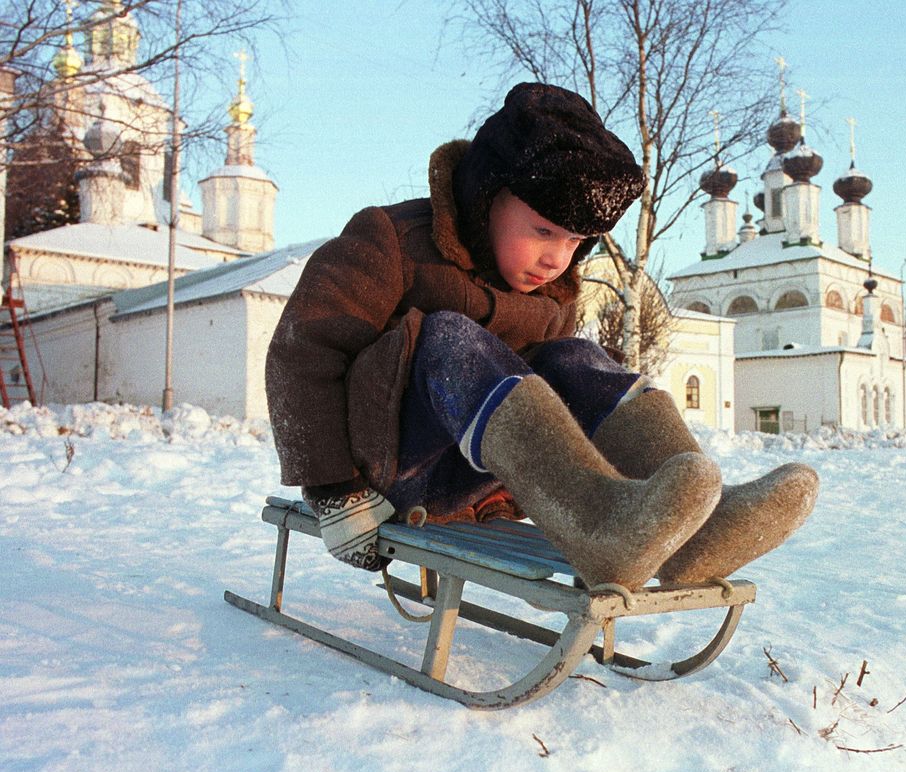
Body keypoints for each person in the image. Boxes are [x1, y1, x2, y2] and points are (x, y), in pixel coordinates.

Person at [266, 83, 818, 591]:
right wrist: (333, 490)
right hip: (388, 473)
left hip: (486, 481)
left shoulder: (554, 293)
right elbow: (303, 352)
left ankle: (697, 531)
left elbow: (552, 400)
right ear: (486, 198)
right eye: (544, 231)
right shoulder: (390, 241)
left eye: (577, 241)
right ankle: (598, 524)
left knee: (575, 356)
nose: (558, 258)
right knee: (450, 336)